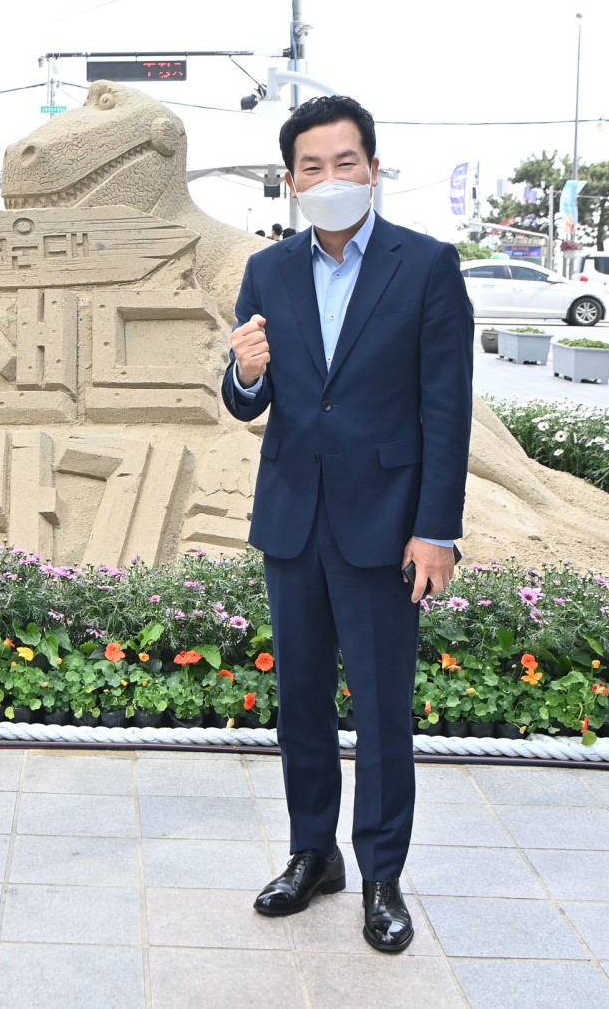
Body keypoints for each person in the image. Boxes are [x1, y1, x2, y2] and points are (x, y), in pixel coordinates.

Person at [222, 95, 473, 952]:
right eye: (312, 167)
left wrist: (436, 529)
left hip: (386, 525)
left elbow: (447, 409)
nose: (330, 178)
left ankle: (382, 877)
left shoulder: (426, 265)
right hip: (293, 519)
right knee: (299, 702)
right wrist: (244, 374)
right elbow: (248, 398)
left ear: (372, 167)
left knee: (381, 710)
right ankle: (313, 854)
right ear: (291, 181)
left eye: (345, 162)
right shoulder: (269, 270)